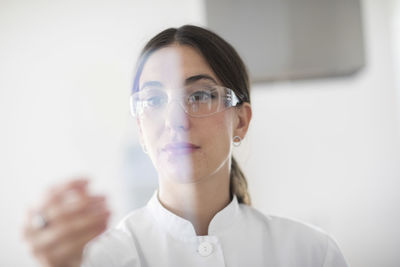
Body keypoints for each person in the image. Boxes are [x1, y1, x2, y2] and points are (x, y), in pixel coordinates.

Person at [23, 25, 349, 267]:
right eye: (153, 99)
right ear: (140, 127)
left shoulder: (310, 253)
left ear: (241, 121)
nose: (175, 120)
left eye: (200, 95)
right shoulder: (102, 258)